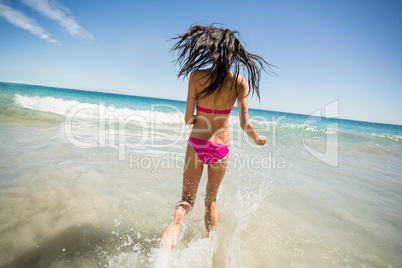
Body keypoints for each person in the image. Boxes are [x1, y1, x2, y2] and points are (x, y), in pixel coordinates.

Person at [161, 24, 274, 249]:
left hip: (197, 144)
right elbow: (244, 123)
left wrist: (197, 120)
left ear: (210, 51)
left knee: (187, 200)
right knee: (210, 201)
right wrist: (257, 138)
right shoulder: (240, 82)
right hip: (221, 148)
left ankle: (176, 222)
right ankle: (209, 249)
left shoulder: (196, 76)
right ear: (233, 56)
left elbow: (187, 119)